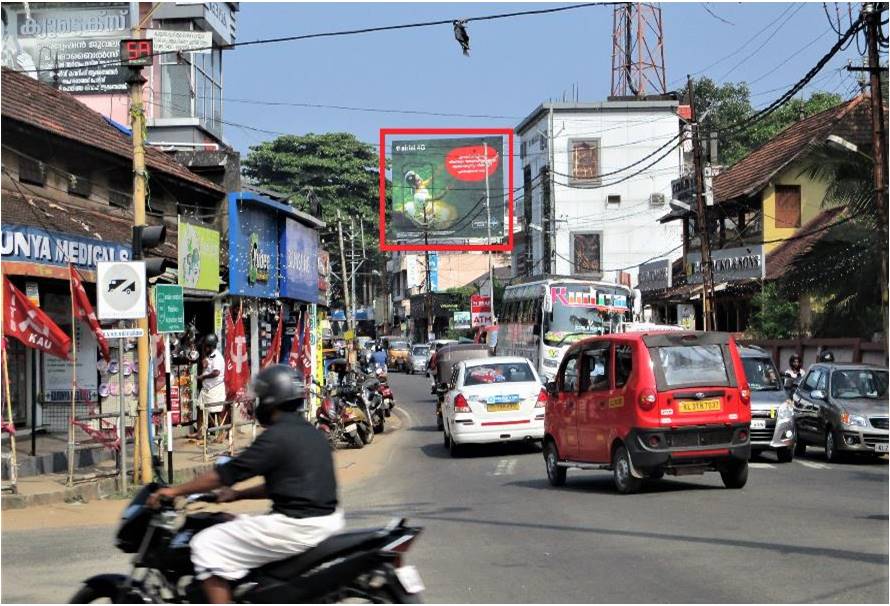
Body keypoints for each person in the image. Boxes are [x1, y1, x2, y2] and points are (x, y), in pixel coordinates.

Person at [148, 365, 343, 604]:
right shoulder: (309, 433)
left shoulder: (276, 437)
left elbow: (225, 474)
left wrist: (174, 490)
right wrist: (236, 496)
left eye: (260, 397)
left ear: (271, 400)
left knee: (205, 545)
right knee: (232, 523)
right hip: (323, 521)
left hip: (296, 526)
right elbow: (285, 486)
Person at [193, 334, 226, 442]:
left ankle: (221, 434)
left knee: (217, 411)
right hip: (206, 389)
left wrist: (203, 376)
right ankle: (200, 433)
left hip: (215, 388)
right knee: (200, 408)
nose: (204, 348)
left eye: (206, 347)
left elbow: (216, 372)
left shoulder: (217, 357)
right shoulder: (209, 356)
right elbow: (208, 366)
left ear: (211, 346)